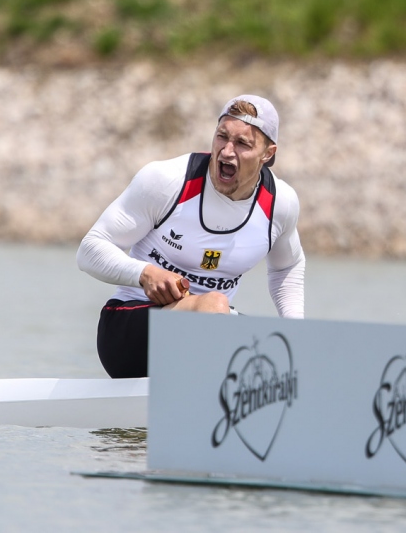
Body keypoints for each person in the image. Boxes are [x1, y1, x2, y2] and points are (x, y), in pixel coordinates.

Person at [76, 94, 305, 378]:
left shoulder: (280, 204)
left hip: (207, 331)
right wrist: (145, 274)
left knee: (283, 346)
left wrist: (297, 334)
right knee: (215, 306)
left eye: (243, 143)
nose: (226, 152)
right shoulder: (166, 180)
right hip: (127, 331)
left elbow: (287, 267)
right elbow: (89, 249)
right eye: (222, 137)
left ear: (268, 154)